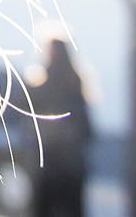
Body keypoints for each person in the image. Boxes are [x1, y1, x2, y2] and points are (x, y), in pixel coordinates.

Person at [29, 38, 93, 217]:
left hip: (49, 166)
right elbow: (87, 129)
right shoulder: (75, 84)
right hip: (72, 167)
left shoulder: (44, 87)